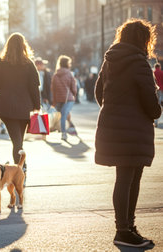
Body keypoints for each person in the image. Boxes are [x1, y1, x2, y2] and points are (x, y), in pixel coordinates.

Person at [95, 19, 161, 248]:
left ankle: (127, 228)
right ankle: (124, 229)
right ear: (144, 40)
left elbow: (98, 92)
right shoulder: (139, 63)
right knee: (130, 179)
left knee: (124, 178)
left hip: (112, 127)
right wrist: (156, 112)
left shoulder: (110, 60)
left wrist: (113, 109)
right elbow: (151, 102)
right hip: (134, 130)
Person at [0, 32, 40, 178]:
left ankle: (20, 168)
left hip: (6, 107)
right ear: (24, 46)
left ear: (7, 46)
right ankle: (21, 167)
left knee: (16, 140)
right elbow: (34, 87)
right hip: (25, 107)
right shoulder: (29, 64)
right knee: (18, 140)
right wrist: (37, 106)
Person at [51, 55, 77, 140]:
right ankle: (65, 132)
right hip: (68, 99)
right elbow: (74, 87)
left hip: (59, 99)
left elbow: (53, 89)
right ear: (67, 64)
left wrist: (54, 102)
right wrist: (74, 95)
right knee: (64, 114)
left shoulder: (55, 75)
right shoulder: (69, 74)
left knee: (63, 113)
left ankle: (66, 130)